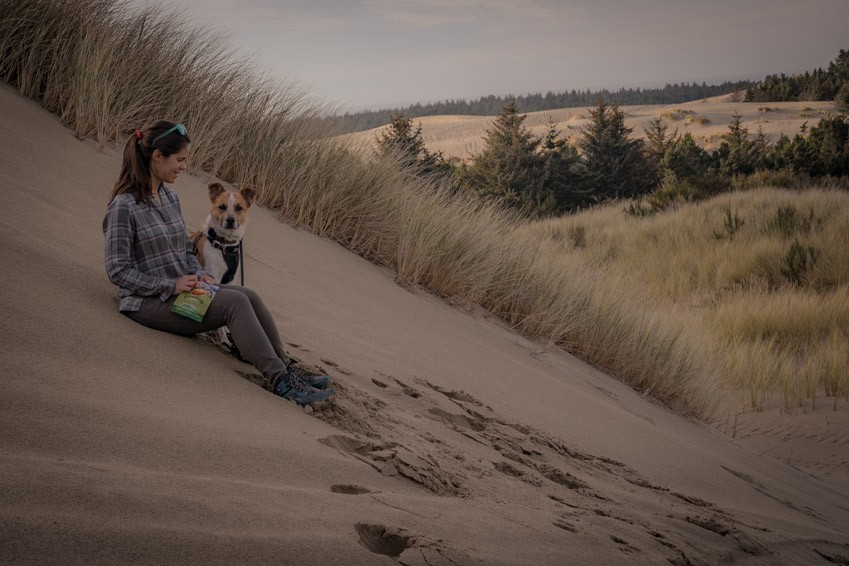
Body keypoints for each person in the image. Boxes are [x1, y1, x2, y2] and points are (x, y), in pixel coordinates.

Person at [103, 120, 335, 406]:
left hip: (184, 292)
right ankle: (283, 383)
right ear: (157, 156)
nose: (184, 166)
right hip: (147, 302)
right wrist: (170, 284)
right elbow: (117, 270)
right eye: (179, 159)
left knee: (247, 295)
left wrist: (201, 274)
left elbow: (185, 251)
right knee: (233, 305)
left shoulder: (170, 198)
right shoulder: (123, 206)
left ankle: (287, 366)